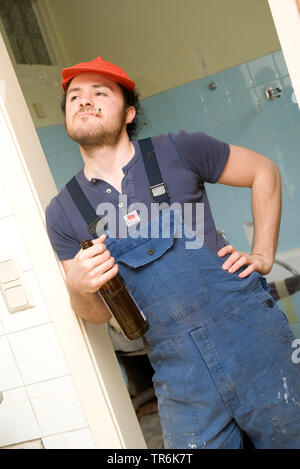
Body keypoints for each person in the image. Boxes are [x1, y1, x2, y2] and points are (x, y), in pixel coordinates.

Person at [45, 56, 300, 449]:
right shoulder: (63, 211)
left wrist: (263, 254)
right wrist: (78, 287)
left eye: (100, 92)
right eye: (74, 96)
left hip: (253, 342)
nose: (84, 100)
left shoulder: (179, 149)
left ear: (129, 112)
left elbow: (263, 170)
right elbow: (98, 315)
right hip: (178, 372)